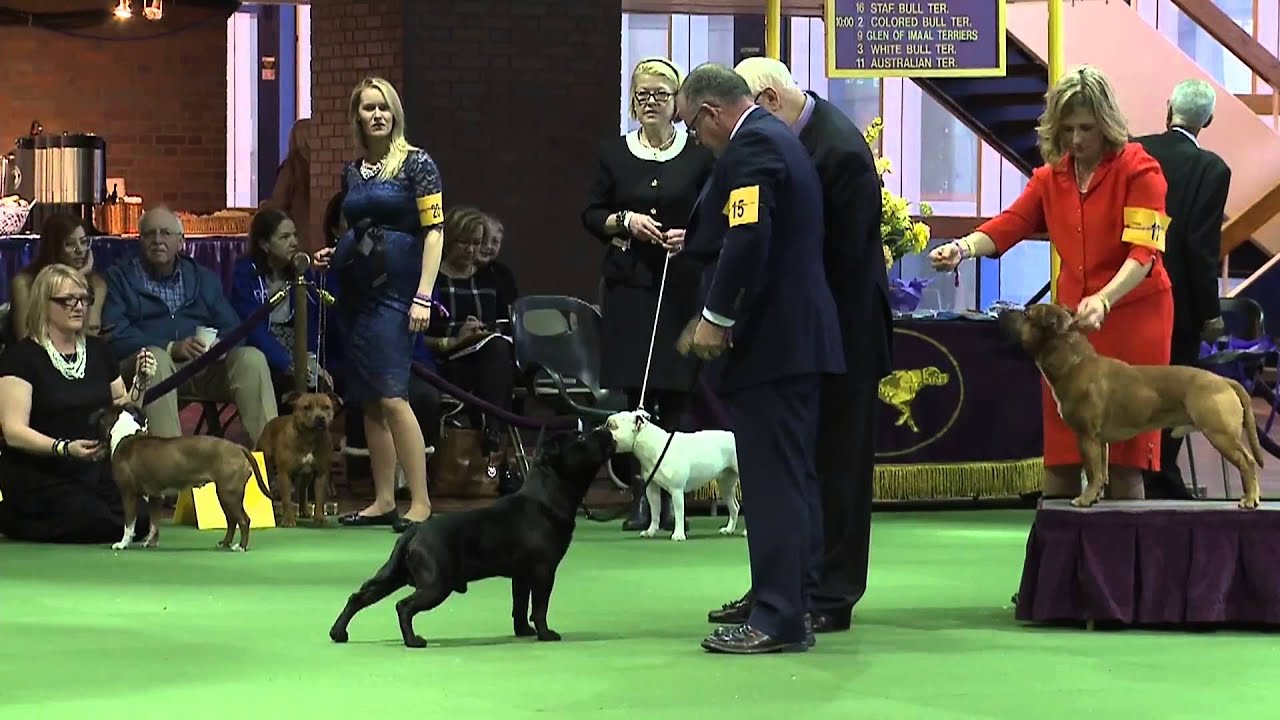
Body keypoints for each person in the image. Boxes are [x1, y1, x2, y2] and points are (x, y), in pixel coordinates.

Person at [930, 65, 1174, 501]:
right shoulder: (1050, 177)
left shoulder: (1141, 170)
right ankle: (1060, 547)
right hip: (1068, 330)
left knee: (1124, 457)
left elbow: (1144, 253)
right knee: (1062, 453)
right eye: (1067, 129)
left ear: (1107, 124)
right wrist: (963, 248)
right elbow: (1012, 223)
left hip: (1134, 318)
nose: (1076, 140)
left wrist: (1105, 298)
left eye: (1087, 128)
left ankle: (1124, 546)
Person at [708, 57, 891, 635]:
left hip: (844, 331)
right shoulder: (791, 140)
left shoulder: (839, 150)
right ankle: (787, 586)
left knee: (837, 466)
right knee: (797, 466)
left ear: (766, 99)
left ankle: (831, 593)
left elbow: (846, 260)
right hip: (812, 329)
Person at [676, 63, 844, 654]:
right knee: (792, 477)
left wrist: (715, 318)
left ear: (710, 113)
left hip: (773, 340)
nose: (697, 141)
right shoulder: (776, 139)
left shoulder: (752, 148)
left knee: (773, 483)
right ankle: (791, 599)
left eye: (693, 128)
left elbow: (749, 237)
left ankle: (778, 618)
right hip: (793, 338)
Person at [580, 56, 714, 532]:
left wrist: (691, 237)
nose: (651, 102)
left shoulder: (699, 155)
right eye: (642, 95)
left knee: (675, 390)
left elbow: (716, 212)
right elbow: (591, 213)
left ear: (677, 102)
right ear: (632, 102)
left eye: (660, 94)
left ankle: (674, 496)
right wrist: (624, 221)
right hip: (629, 286)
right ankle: (641, 496)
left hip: (679, 286)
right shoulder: (612, 153)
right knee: (634, 392)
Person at [329, 77, 442, 533]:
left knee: (394, 396)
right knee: (369, 399)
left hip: (398, 294)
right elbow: (354, 229)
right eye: (368, 108)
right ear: (356, 117)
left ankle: (421, 502)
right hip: (356, 294)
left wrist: (424, 295)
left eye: (384, 107)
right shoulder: (352, 172)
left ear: (395, 114)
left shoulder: (417, 163)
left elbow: (435, 231)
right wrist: (337, 252)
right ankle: (382, 500)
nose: (377, 115)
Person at [0, 264, 157, 543]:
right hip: (42, 473)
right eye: (68, 300)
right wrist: (64, 448)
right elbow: (13, 431)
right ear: (44, 304)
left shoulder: (99, 351)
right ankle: (12, 516)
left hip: (94, 471)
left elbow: (122, 410)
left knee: (140, 517)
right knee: (88, 517)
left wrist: (140, 383)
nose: (79, 307)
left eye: (84, 299)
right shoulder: (21, 357)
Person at [101, 206, 278, 445]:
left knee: (251, 359)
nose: (157, 240)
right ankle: (171, 463)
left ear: (181, 241)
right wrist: (170, 347)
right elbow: (116, 335)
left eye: (166, 233)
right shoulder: (119, 278)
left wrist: (220, 346)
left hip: (202, 366)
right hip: (145, 372)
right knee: (156, 359)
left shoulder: (202, 277)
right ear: (140, 241)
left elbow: (232, 326)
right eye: (150, 234)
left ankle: (270, 455)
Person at [1135, 79, 1232, 500]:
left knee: (1129, 384)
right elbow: (1199, 247)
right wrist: (1210, 313)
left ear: (1168, 108)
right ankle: (1161, 474)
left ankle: (1130, 470)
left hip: (1127, 290)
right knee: (1176, 391)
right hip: (1180, 303)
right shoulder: (1212, 169)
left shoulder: (1135, 151)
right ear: (1208, 121)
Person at [420, 205, 516, 460]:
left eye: (476, 243)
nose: (472, 250)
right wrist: (453, 340)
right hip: (441, 359)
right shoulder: (431, 277)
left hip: (483, 355)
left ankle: (493, 433)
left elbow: (505, 323)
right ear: (449, 240)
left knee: (498, 349)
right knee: (496, 360)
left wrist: (483, 330)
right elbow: (416, 335)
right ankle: (493, 439)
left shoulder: (489, 277)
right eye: (464, 243)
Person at [228, 207, 333, 412]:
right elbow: (253, 328)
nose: (294, 242)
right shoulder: (245, 274)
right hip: (261, 353)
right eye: (285, 237)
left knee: (321, 385)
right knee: (288, 386)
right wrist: (288, 364)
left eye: (295, 235)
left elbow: (311, 321)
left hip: (297, 350)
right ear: (264, 244)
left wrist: (311, 359)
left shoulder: (301, 271)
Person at [9, 214, 108, 339]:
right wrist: (77, 278)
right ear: (54, 248)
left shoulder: (97, 284)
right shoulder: (24, 283)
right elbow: (25, 338)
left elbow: (89, 332)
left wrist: (79, 278)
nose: (80, 250)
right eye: (70, 244)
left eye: (83, 242)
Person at [267, 119, 314, 252]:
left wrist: (265, 208)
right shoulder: (320, 166)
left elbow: (278, 204)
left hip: (296, 237)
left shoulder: (291, 168)